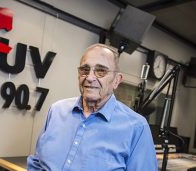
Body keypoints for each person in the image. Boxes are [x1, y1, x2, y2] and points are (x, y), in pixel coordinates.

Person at [27, 43, 158, 171]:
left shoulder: (136, 127)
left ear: (116, 80)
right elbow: (37, 163)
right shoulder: (56, 110)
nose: (89, 77)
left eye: (101, 71)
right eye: (85, 70)